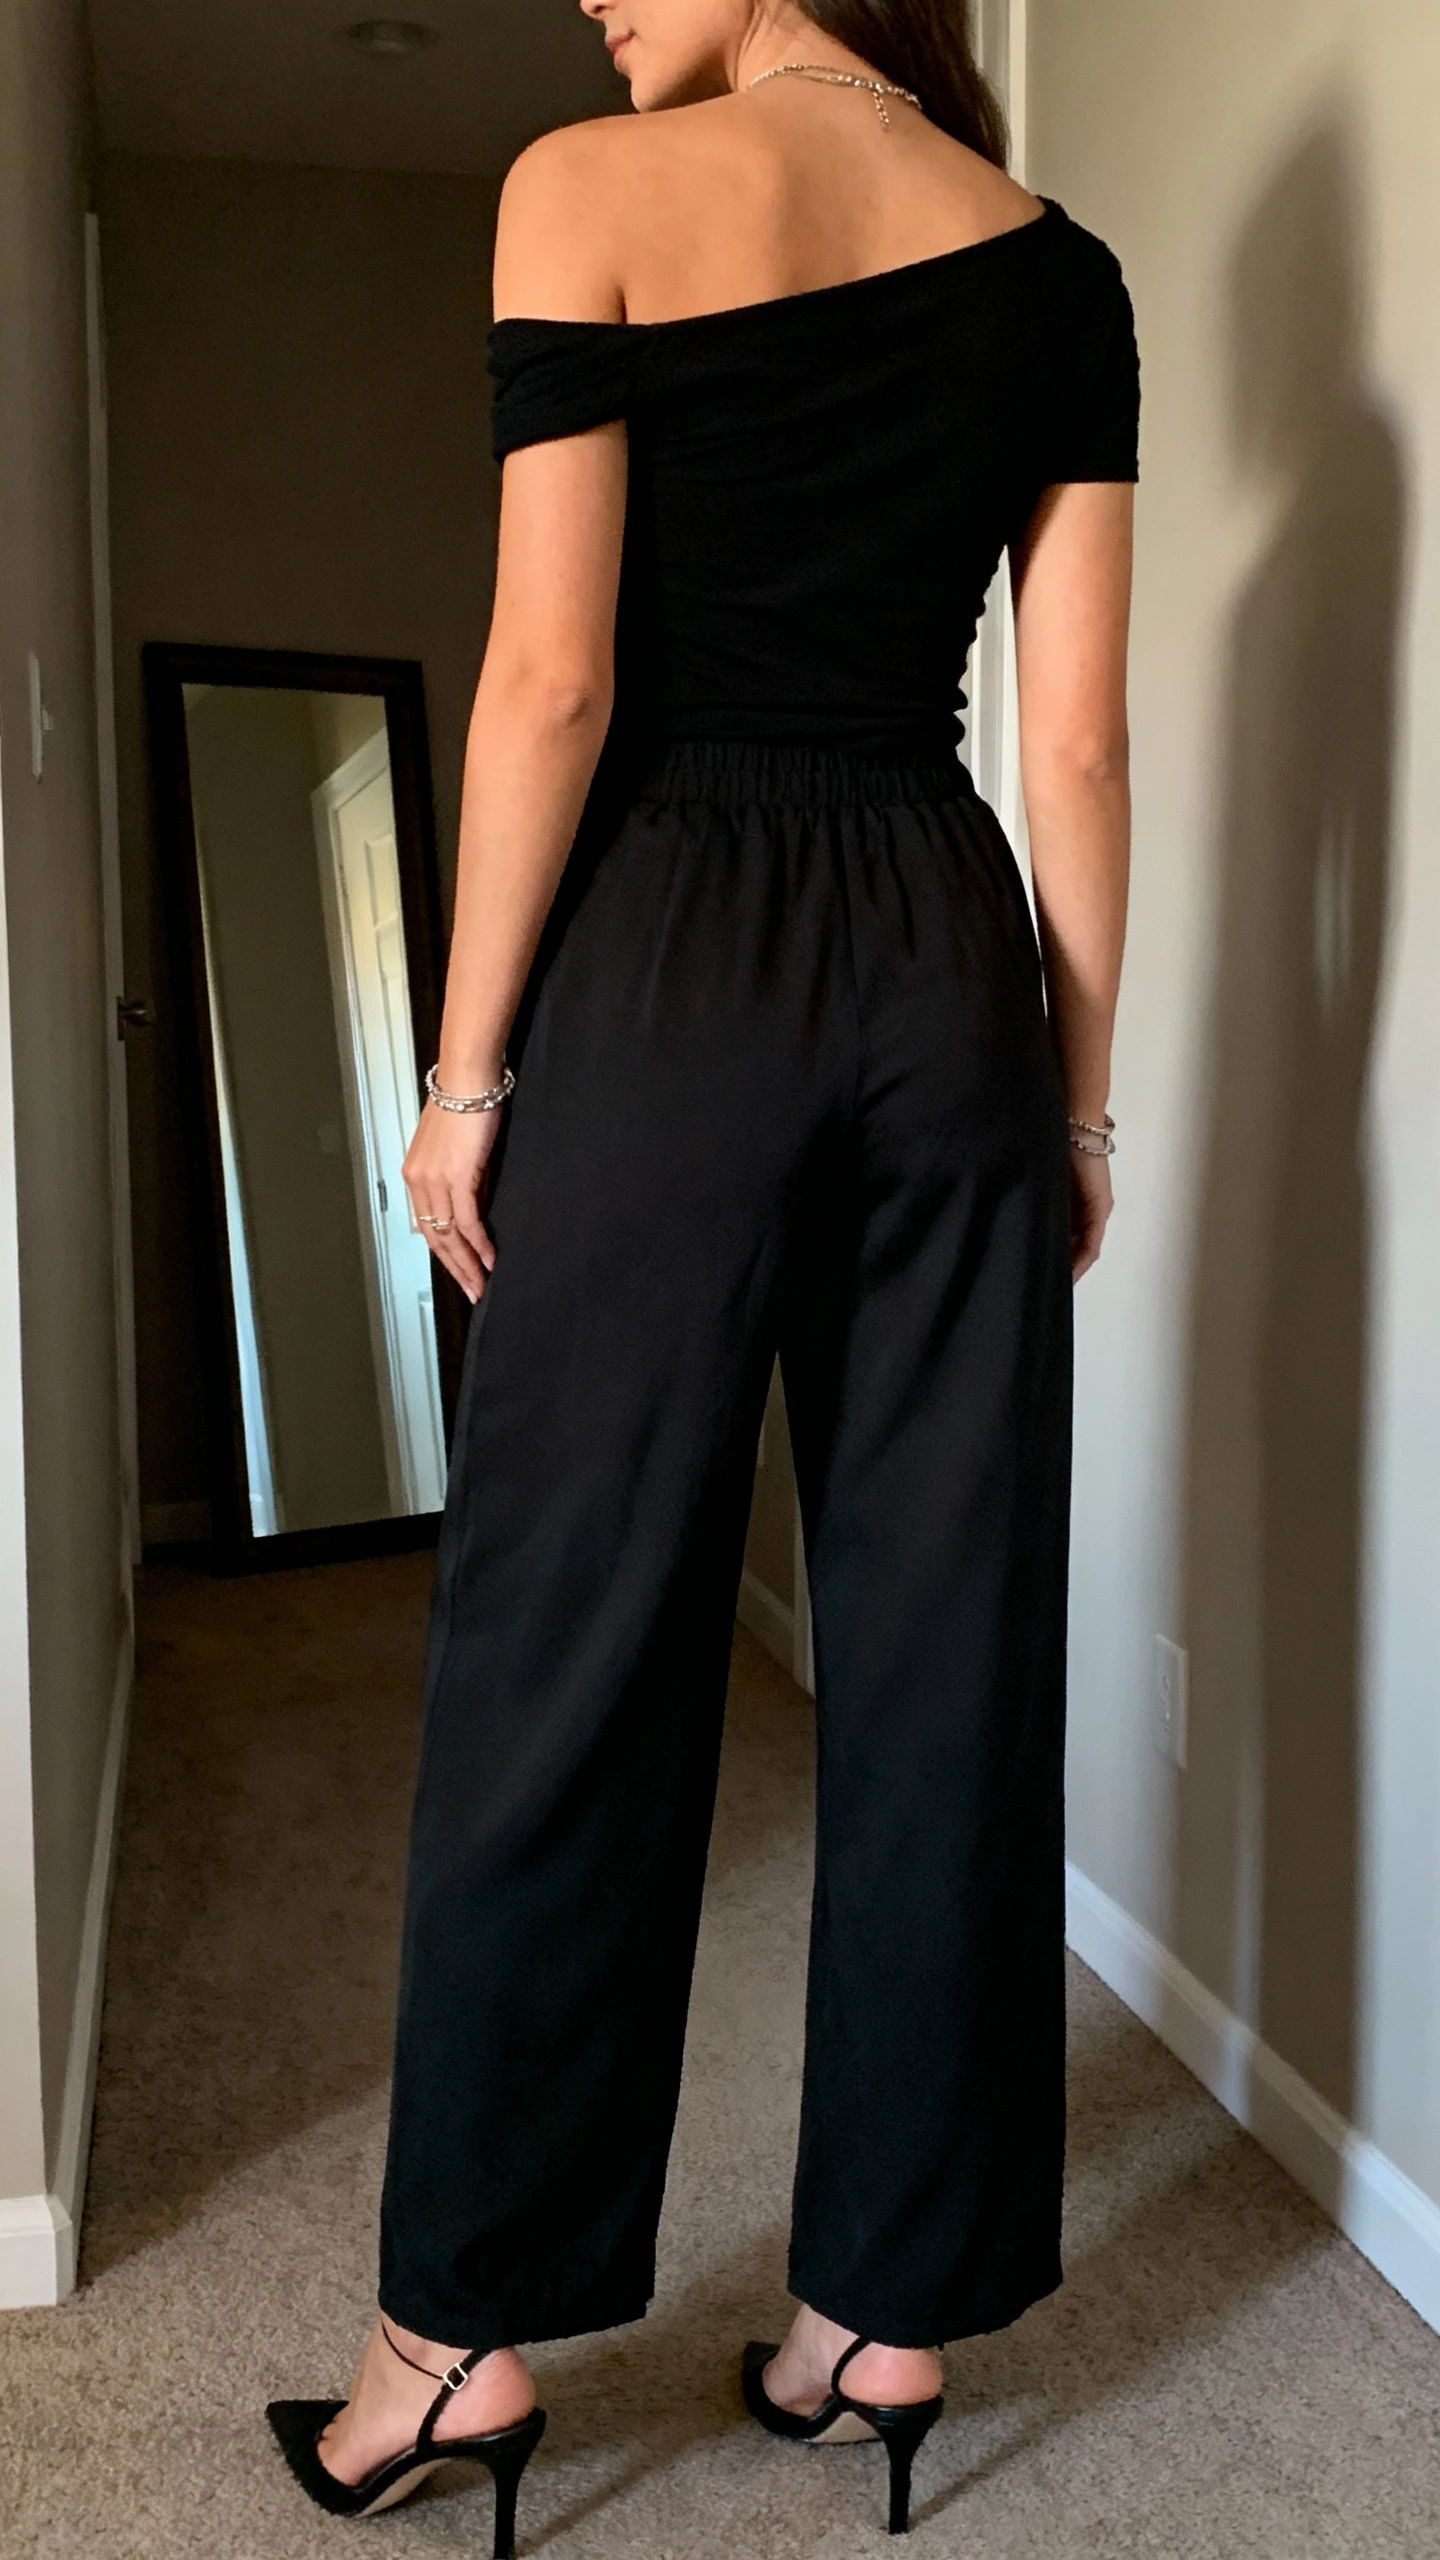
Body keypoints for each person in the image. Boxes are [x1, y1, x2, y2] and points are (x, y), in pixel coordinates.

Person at [266, 1, 1137, 2548]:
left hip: (674, 953)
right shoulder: (1055, 267)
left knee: (565, 1628)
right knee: (948, 1630)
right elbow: (1066, 748)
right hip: (943, 947)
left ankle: (457, 2340)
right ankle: (882, 2311)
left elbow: (554, 674)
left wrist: (459, 1065)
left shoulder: (582, 191)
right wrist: (1076, 1100)